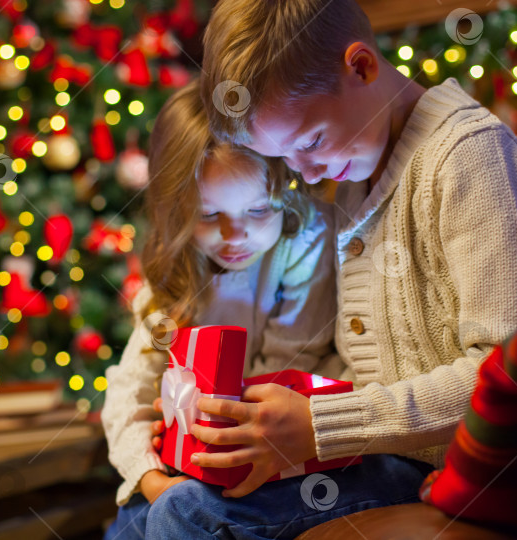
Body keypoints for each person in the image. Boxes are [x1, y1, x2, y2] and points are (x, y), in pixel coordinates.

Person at [141, 0, 517, 538]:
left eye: (309, 141)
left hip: (454, 467)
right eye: (285, 158)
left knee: (187, 514)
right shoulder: (357, 168)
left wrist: (319, 425)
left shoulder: (471, 158)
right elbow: (362, 360)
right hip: (375, 449)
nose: (306, 171)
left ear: (360, 67)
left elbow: (510, 376)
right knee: (167, 494)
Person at [100, 79, 343, 539]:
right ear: (176, 212)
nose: (236, 235)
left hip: (273, 450)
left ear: (284, 194)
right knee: (134, 524)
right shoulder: (173, 277)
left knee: (186, 515)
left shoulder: (304, 243)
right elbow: (130, 387)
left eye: (258, 211)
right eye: (209, 216)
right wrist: (150, 478)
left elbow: (291, 361)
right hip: (186, 463)